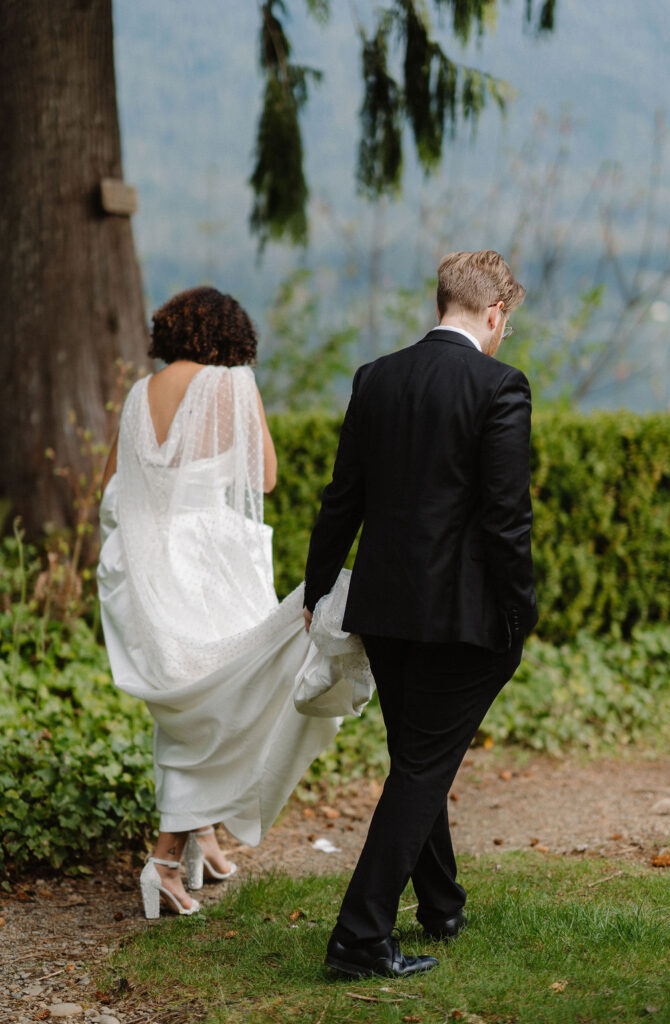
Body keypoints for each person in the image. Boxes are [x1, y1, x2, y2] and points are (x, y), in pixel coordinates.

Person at [303, 250, 538, 979]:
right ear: (494, 315)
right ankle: (359, 936)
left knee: (416, 759)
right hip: (460, 620)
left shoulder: (376, 379)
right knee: (423, 770)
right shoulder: (499, 385)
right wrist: (519, 610)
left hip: (383, 610)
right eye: (505, 322)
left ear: (443, 302)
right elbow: (505, 518)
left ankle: (440, 903)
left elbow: (344, 496)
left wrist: (316, 589)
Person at [97, 287, 358, 918]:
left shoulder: (140, 393)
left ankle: (203, 837)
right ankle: (165, 859)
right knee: (230, 700)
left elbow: (118, 480)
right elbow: (262, 476)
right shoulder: (230, 385)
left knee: (188, 705)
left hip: (145, 564)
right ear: (230, 334)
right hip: (208, 563)